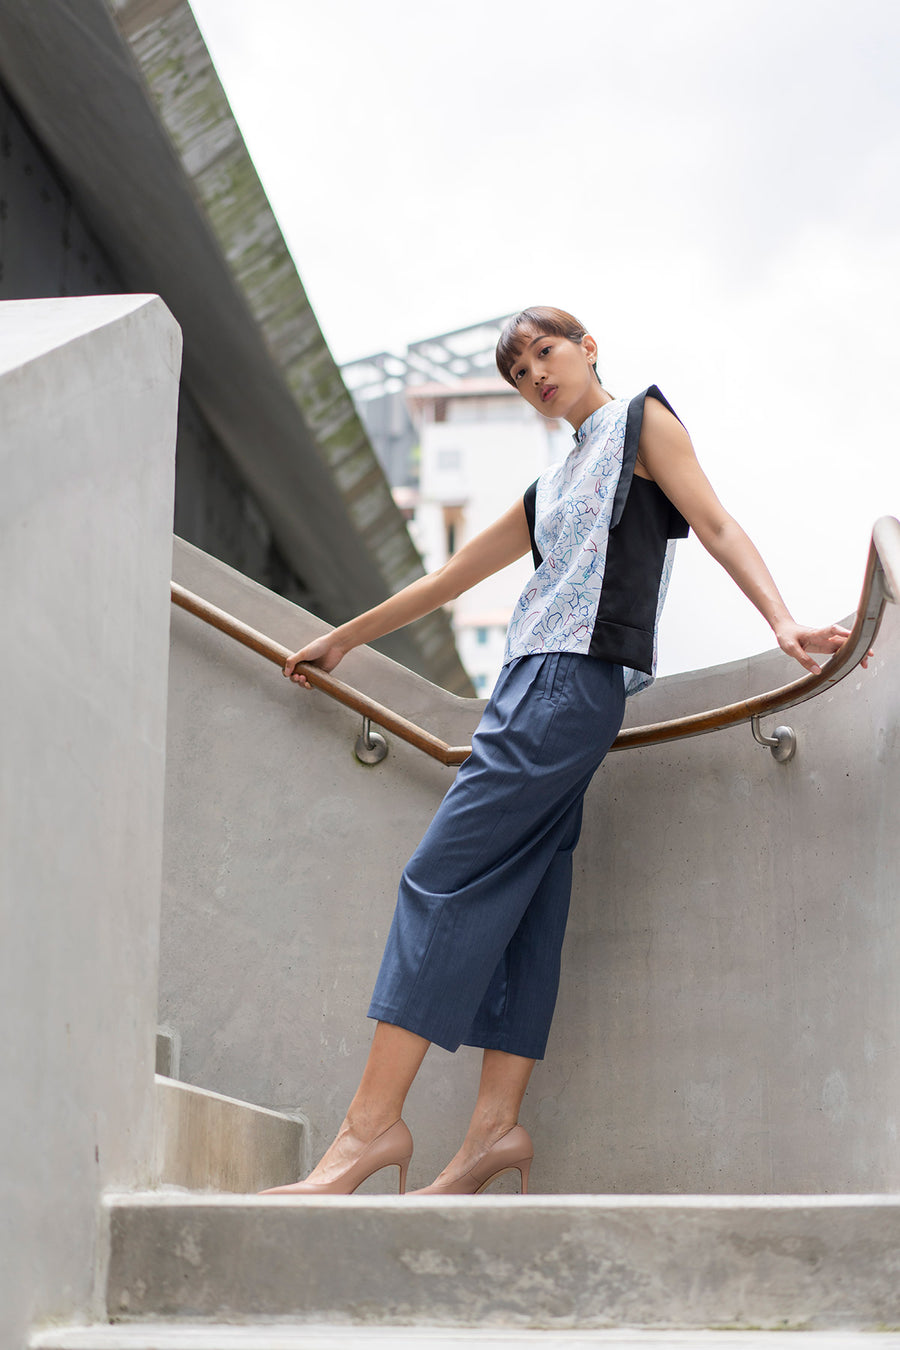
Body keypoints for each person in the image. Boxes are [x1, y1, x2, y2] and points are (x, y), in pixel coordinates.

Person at [260, 306, 858, 1198]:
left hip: (568, 684)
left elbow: (718, 524)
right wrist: (343, 639)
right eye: (519, 372)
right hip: (532, 684)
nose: (537, 373)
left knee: (439, 878)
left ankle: (370, 1131)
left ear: (587, 347)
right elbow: (449, 579)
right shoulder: (554, 484)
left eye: (546, 351)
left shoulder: (640, 423)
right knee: (530, 901)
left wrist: (781, 622)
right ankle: (494, 1133)